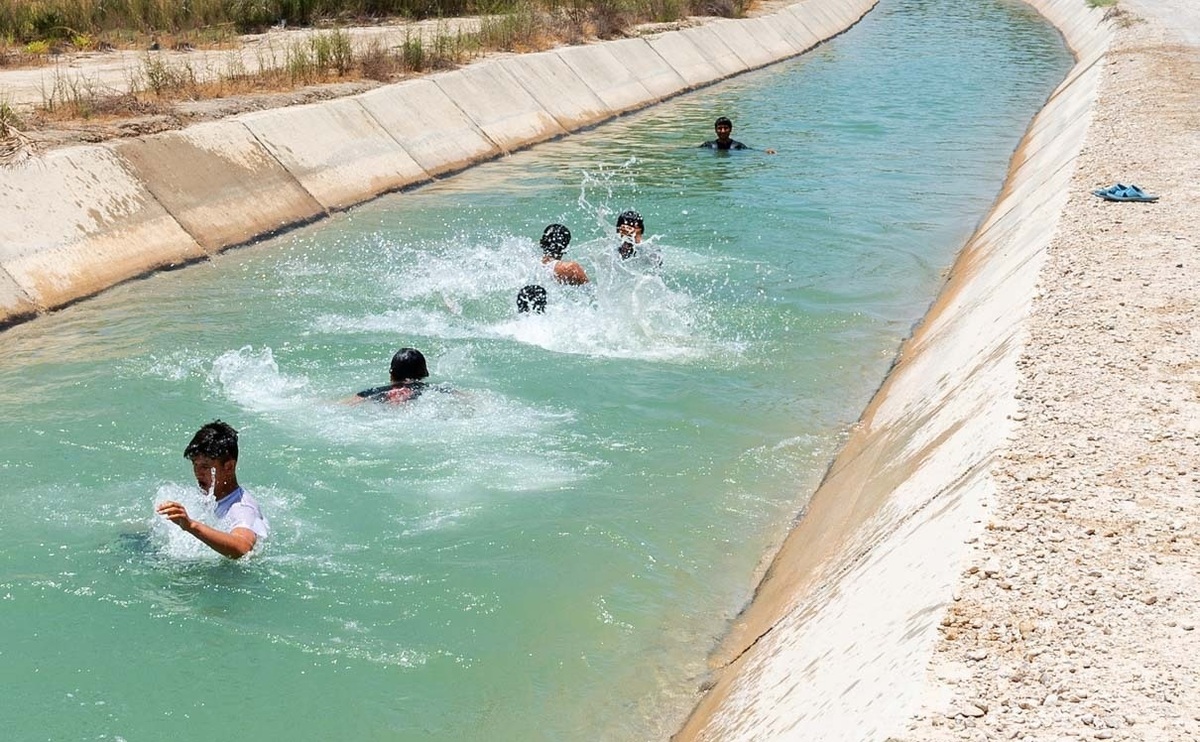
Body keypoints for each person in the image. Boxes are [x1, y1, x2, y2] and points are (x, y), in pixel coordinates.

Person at [156, 420, 268, 559]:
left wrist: (191, 526)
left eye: (205, 466)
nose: (198, 472)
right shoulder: (210, 495)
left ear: (229, 467)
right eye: (194, 464)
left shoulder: (242, 508)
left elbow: (243, 548)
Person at [353, 347, 432, 404]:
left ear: (391, 374)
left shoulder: (375, 393)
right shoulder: (431, 391)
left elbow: (345, 404)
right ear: (425, 374)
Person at [699, 116, 776, 154]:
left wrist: (764, 151)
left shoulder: (737, 146)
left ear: (731, 129)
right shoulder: (709, 145)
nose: (723, 131)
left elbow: (751, 150)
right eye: (720, 128)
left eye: (725, 128)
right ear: (715, 130)